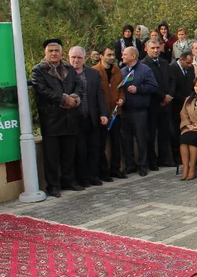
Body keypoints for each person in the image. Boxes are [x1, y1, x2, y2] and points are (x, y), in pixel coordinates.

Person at [31, 39, 84, 197]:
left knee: (69, 152)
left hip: (70, 116)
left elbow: (79, 85)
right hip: (51, 119)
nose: (54, 53)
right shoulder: (38, 70)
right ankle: (53, 186)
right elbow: (42, 90)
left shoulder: (68, 68)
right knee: (51, 156)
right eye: (50, 51)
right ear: (45, 53)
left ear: (62, 53)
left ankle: (69, 181)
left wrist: (74, 98)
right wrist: (63, 99)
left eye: (56, 51)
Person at [69, 46, 107, 188]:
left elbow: (100, 95)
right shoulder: (65, 73)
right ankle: (82, 178)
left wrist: (103, 113)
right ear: (69, 58)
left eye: (79, 57)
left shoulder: (93, 73)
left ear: (85, 59)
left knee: (94, 149)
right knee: (80, 151)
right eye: (73, 57)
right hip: (75, 119)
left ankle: (94, 176)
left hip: (92, 118)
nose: (76, 60)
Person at [119, 47, 158, 177]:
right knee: (126, 139)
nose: (122, 56)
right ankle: (130, 164)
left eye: (125, 54)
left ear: (133, 56)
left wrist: (138, 89)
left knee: (141, 138)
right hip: (125, 110)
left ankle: (143, 165)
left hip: (140, 110)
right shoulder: (122, 71)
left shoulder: (145, 69)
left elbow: (153, 86)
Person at [93, 47, 126, 181]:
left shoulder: (117, 70)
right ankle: (103, 171)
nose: (112, 57)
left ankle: (115, 169)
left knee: (116, 142)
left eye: (113, 54)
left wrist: (122, 99)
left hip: (116, 112)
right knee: (101, 144)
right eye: (109, 55)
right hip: (102, 113)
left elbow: (121, 88)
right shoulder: (95, 71)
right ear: (101, 56)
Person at [141, 39, 175, 170]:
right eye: (152, 48)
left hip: (166, 105)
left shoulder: (164, 62)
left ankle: (165, 158)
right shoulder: (144, 65)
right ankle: (152, 161)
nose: (155, 50)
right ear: (146, 49)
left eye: (157, 48)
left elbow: (172, 80)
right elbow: (150, 85)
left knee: (165, 133)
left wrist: (169, 96)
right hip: (153, 104)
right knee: (151, 134)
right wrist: (162, 96)